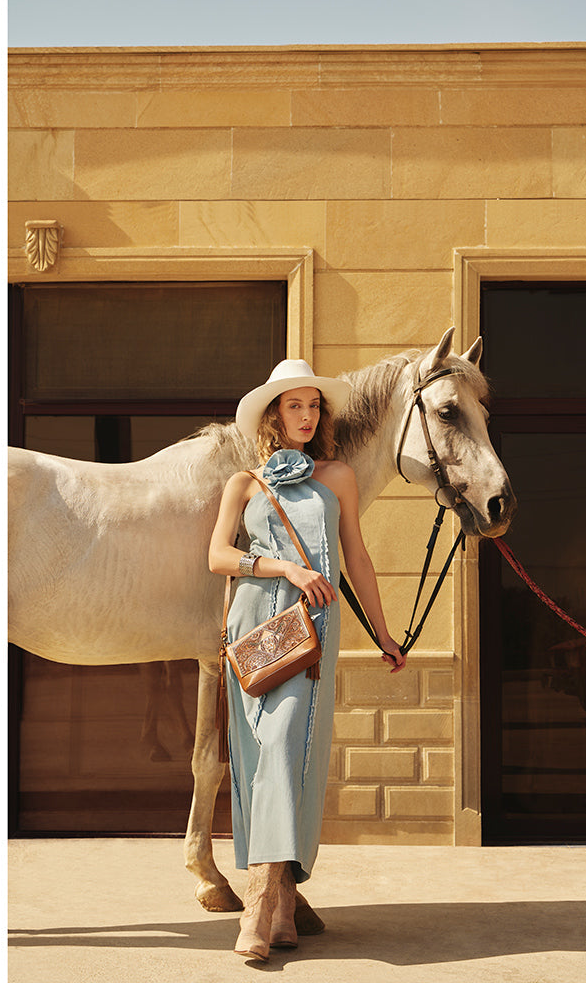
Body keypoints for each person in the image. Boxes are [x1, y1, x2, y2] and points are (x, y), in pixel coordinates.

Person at [209, 358, 405, 961]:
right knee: (260, 755)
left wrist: (383, 633)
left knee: (290, 747)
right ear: (274, 415)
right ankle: (285, 906)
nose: (306, 415)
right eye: (294, 405)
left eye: (313, 406)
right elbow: (218, 556)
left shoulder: (339, 475)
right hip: (254, 626)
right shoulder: (244, 482)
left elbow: (359, 559)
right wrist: (282, 566)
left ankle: (262, 900)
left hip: (312, 631)